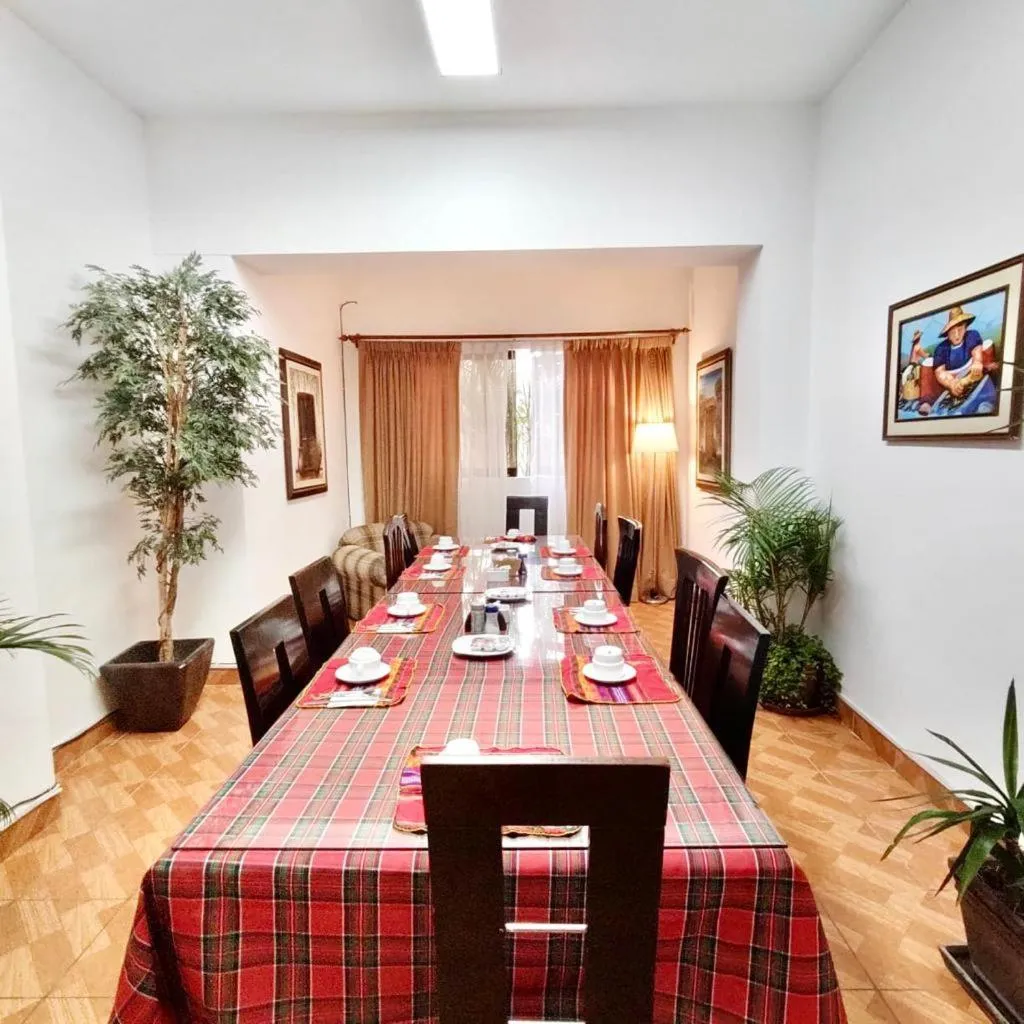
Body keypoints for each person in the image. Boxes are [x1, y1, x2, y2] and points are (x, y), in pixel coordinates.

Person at [932, 306, 984, 400]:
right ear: (947, 333)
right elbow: (940, 372)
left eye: (960, 329)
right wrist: (952, 383)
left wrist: (977, 362)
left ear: (965, 327)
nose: (957, 335)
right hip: (953, 384)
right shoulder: (941, 349)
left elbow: (977, 352)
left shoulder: (972, 336)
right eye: (952, 331)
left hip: (973, 377)